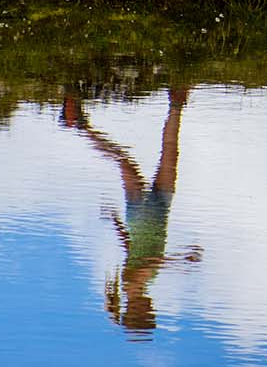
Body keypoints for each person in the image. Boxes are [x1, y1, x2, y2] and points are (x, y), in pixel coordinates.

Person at [61, 83, 200, 332]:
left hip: (143, 216)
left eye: (147, 313)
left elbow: (149, 262)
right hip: (156, 215)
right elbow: (131, 250)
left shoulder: (131, 287)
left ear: (136, 311)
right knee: (166, 152)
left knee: (130, 160)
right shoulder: (141, 286)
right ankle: (177, 99)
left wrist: (180, 260)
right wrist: (115, 221)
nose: (151, 309)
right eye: (151, 313)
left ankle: (80, 125)